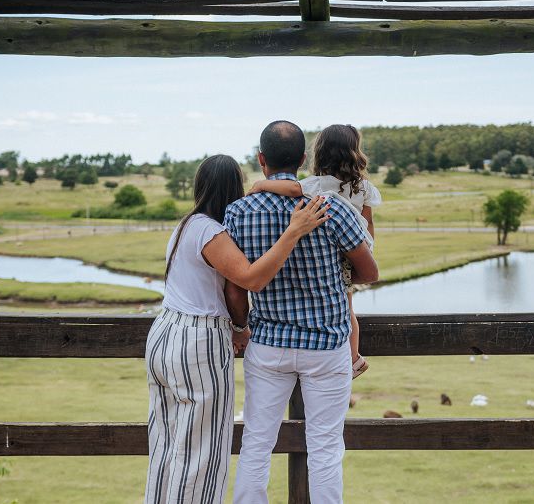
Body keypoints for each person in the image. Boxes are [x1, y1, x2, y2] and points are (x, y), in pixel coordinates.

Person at [144, 154, 330, 504]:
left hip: (165, 334)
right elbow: (248, 280)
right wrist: (293, 231)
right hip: (197, 340)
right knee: (202, 454)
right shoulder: (211, 231)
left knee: (167, 446)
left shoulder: (186, 224)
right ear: (233, 188)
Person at [227, 121, 379, 504]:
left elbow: (234, 285)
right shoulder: (332, 208)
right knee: (325, 448)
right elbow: (370, 272)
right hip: (326, 345)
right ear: (302, 159)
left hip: (267, 345)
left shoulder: (238, 212)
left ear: (261, 160)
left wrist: (241, 327)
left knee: (257, 444)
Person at [247, 123, 380, 378]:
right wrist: (367, 248)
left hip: (332, 247)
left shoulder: (317, 184)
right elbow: (368, 219)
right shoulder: (361, 186)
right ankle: (353, 358)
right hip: (357, 244)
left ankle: (352, 359)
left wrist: (262, 186)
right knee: (347, 306)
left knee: (344, 305)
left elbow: (292, 188)